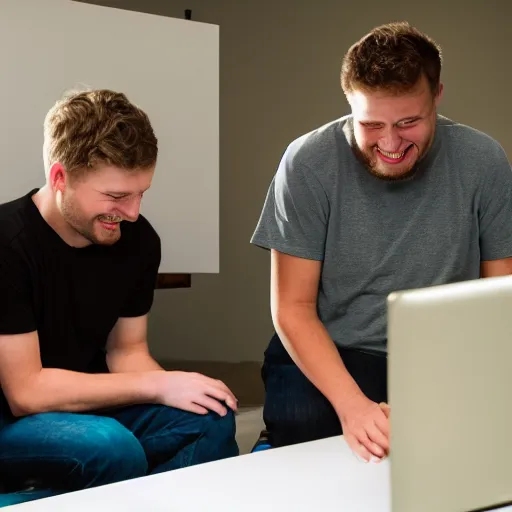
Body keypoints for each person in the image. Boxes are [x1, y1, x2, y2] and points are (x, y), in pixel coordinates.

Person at [250, 21, 512, 462]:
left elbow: (499, 297)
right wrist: (353, 407)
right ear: (349, 102)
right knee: (309, 427)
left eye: (409, 121)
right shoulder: (307, 162)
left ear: (438, 96)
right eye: (371, 123)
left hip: (441, 355)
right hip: (333, 348)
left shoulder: (484, 160)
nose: (390, 143)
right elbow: (292, 308)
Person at [0, 89, 239, 503]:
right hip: (10, 416)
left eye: (141, 193)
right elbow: (26, 392)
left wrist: (177, 386)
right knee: (112, 448)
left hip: (86, 405)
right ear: (60, 178)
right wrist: (157, 385)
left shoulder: (139, 240)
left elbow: (126, 352)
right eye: (115, 196)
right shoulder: (7, 244)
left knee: (212, 417)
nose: (131, 213)